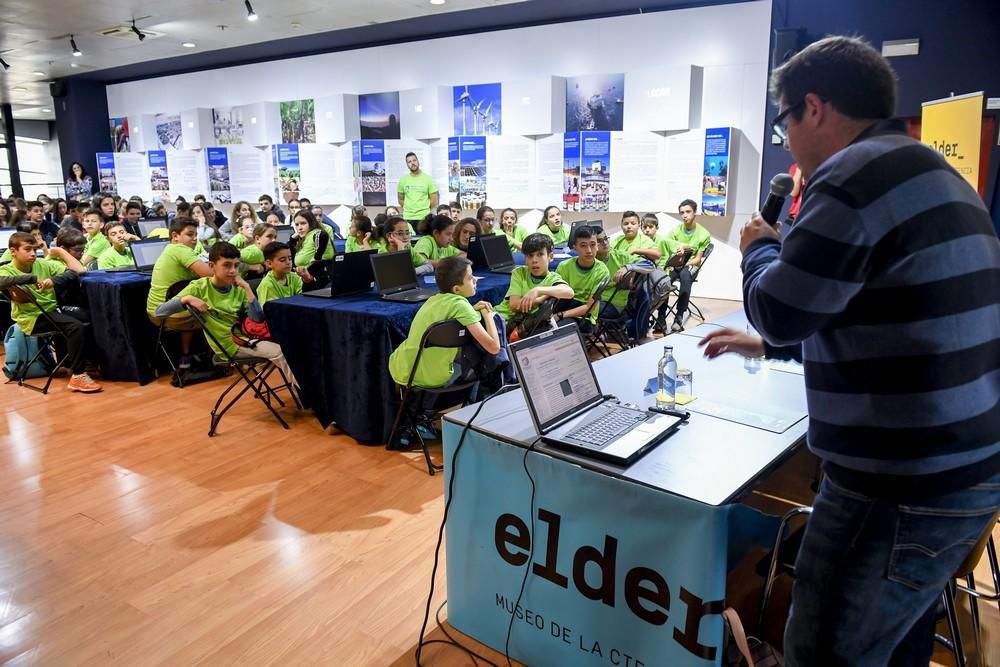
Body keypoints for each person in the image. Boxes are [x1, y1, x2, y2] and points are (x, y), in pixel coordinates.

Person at [733, 35, 1000, 666]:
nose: (788, 139)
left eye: (784, 120)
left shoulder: (852, 177)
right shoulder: (931, 171)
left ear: (814, 108)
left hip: (894, 488)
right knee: (890, 643)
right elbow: (893, 320)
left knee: (825, 651)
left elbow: (777, 307)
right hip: (957, 474)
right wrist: (773, 348)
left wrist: (757, 246)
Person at [155, 242, 297, 387]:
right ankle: (310, 394)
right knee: (281, 351)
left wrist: (247, 289)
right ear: (211, 266)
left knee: (295, 343)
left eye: (236, 266)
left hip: (247, 337)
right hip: (229, 344)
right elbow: (160, 311)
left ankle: (306, 391)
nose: (233, 271)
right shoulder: (199, 287)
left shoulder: (239, 289)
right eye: (227, 265)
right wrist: (186, 299)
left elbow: (258, 319)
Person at [0, 231, 99, 392]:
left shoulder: (42, 263)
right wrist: (31, 278)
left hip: (51, 311)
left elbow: (78, 270)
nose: (33, 253)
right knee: (75, 327)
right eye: (27, 249)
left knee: (90, 316)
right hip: (31, 318)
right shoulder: (7, 269)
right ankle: (78, 376)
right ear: (13, 251)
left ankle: (74, 363)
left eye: (34, 249)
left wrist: (54, 278)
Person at [388, 255, 501, 390]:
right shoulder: (460, 306)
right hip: (434, 377)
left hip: (404, 368)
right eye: (470, 278)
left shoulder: (432, 300)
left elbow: (452, 315)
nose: (475, 279)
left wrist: (472, 310)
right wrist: (487, 314)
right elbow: (494, 348)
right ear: (456, 289)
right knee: (480, 364)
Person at [146, 216, 213, 364]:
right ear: (175, 236)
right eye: (190, 234)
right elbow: (211, 275)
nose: (195, 239)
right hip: (169, 313)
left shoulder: (170, 249)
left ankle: (186, 355)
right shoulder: (181, 250)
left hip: (156, 311)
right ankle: (219, 355)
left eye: (196, 235)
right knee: (223, 311)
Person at [495, 233, 573, 323]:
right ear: (525, 258)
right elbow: (514, 305)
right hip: (499, 317)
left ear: (550, 257)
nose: (534, 260)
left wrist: (538, 290)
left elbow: (569, 292)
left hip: (519, 325)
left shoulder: (552, 278)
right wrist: (540, 300)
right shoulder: (519, 272)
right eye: (530, 255)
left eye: (540, 254)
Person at [660, 199, 711, 332]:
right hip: (675, 265)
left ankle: (679, 316)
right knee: (663, 281)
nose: (685, 215)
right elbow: (668, 252)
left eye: (688, 212)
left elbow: (698, 259)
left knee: (685, 276)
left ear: (695, 213)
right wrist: (673, 264)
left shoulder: (704, 234)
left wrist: (684, 263)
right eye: (682, 212)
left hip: (690, 265)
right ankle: (661, 317)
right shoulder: (675, 231)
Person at [554, 225, 610, 330]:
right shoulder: (564, 266)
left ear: (597, 246)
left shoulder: (602, 271)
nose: (589, 250)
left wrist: (560, 315)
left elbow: (589, 307)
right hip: (563, 307)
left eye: (593, 245)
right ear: (575, 248)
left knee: (558, 329)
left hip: (585, 317)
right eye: (583, 245)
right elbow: (554, 295)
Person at [594, 227, 639, 317]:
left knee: (582, 309)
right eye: (599, 241)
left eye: (606, 238)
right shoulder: (589, 260)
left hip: (613, 303)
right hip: (593, 300)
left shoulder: (620, 256)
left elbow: (650, 264)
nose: (605, 243)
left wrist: (628, 267)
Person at [289, 208, 333, 289]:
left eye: (303, 223)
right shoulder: (304, 238)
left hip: (320, 280)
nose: (300, 228)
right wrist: (292, 239)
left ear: (311, 223)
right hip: (305, 278)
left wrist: (317, 257)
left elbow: (322, 235)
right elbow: (292, 254)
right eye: (297, 225)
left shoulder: (316, 233)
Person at [397, 152, 439, 230]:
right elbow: (400, 199)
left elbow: (434, 200)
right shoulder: (403, 180)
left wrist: (424, 209)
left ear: (418, 161)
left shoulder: (428, 179)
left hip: (424, 218)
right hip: (408, 218)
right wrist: (409, 208)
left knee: (423, 240)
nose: (412, 163)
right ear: (407, 164)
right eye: (409, 162)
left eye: (414, 160)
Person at [256, 241, 303, 307]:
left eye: (290, 259)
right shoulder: (267, 285)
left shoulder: (295, 277)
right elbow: (273, 311)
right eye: (282, 260)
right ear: (269, 263)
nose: (288, 262)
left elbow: (304, 299)